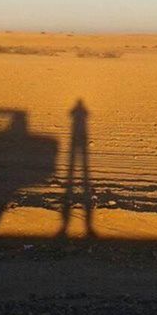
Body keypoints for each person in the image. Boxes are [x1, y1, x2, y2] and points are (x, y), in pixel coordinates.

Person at [60, 99, 95, 237]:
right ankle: (87, 227)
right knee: (83, 169)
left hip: (76, 139)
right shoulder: (82, 113)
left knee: (73, 169)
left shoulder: (76, 113)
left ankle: (66, 226)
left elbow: (71, 113)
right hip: (82, 139)